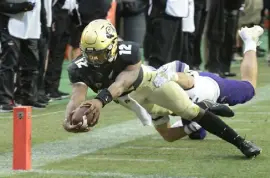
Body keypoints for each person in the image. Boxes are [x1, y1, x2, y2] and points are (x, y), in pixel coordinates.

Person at [63, 19, 261, 158]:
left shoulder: (130, 53)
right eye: (90, 55)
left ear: (114, 45)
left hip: (155, 86)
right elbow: (77, 96)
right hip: (138, 101)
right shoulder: (78, 68)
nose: (95, 60)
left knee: (196, 109)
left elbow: (121, 83)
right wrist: (69, 118)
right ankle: (204, 111)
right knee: (187, 131)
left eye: (99, 54)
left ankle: (240, 142)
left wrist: (99, 99)